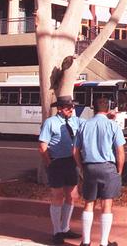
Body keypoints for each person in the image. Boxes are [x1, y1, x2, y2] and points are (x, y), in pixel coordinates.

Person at [73, 97, 126, 246]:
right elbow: (120, 151)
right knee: (106, 204)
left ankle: (86, 241)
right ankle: (103, 242)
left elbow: (75, 150)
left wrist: (82, 168)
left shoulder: (84, 125)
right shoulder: (113, 126)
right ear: (108, 109)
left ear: (93, 109)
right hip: (108, 167)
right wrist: (119, 171)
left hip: (89, 166)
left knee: (89, 203)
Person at [38, 95, 83, 245]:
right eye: (67, 107)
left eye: (72, 106)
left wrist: (107, 118)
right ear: (59, 108)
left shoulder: (76, 121)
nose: (71, 109)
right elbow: (42, 146)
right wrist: (49, 164)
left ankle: (65, 228)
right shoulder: (50, 123)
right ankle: (56, 232)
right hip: (56, 163)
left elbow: (92, 125)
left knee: (71, 196)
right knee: (57, 196)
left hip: (71, 162)